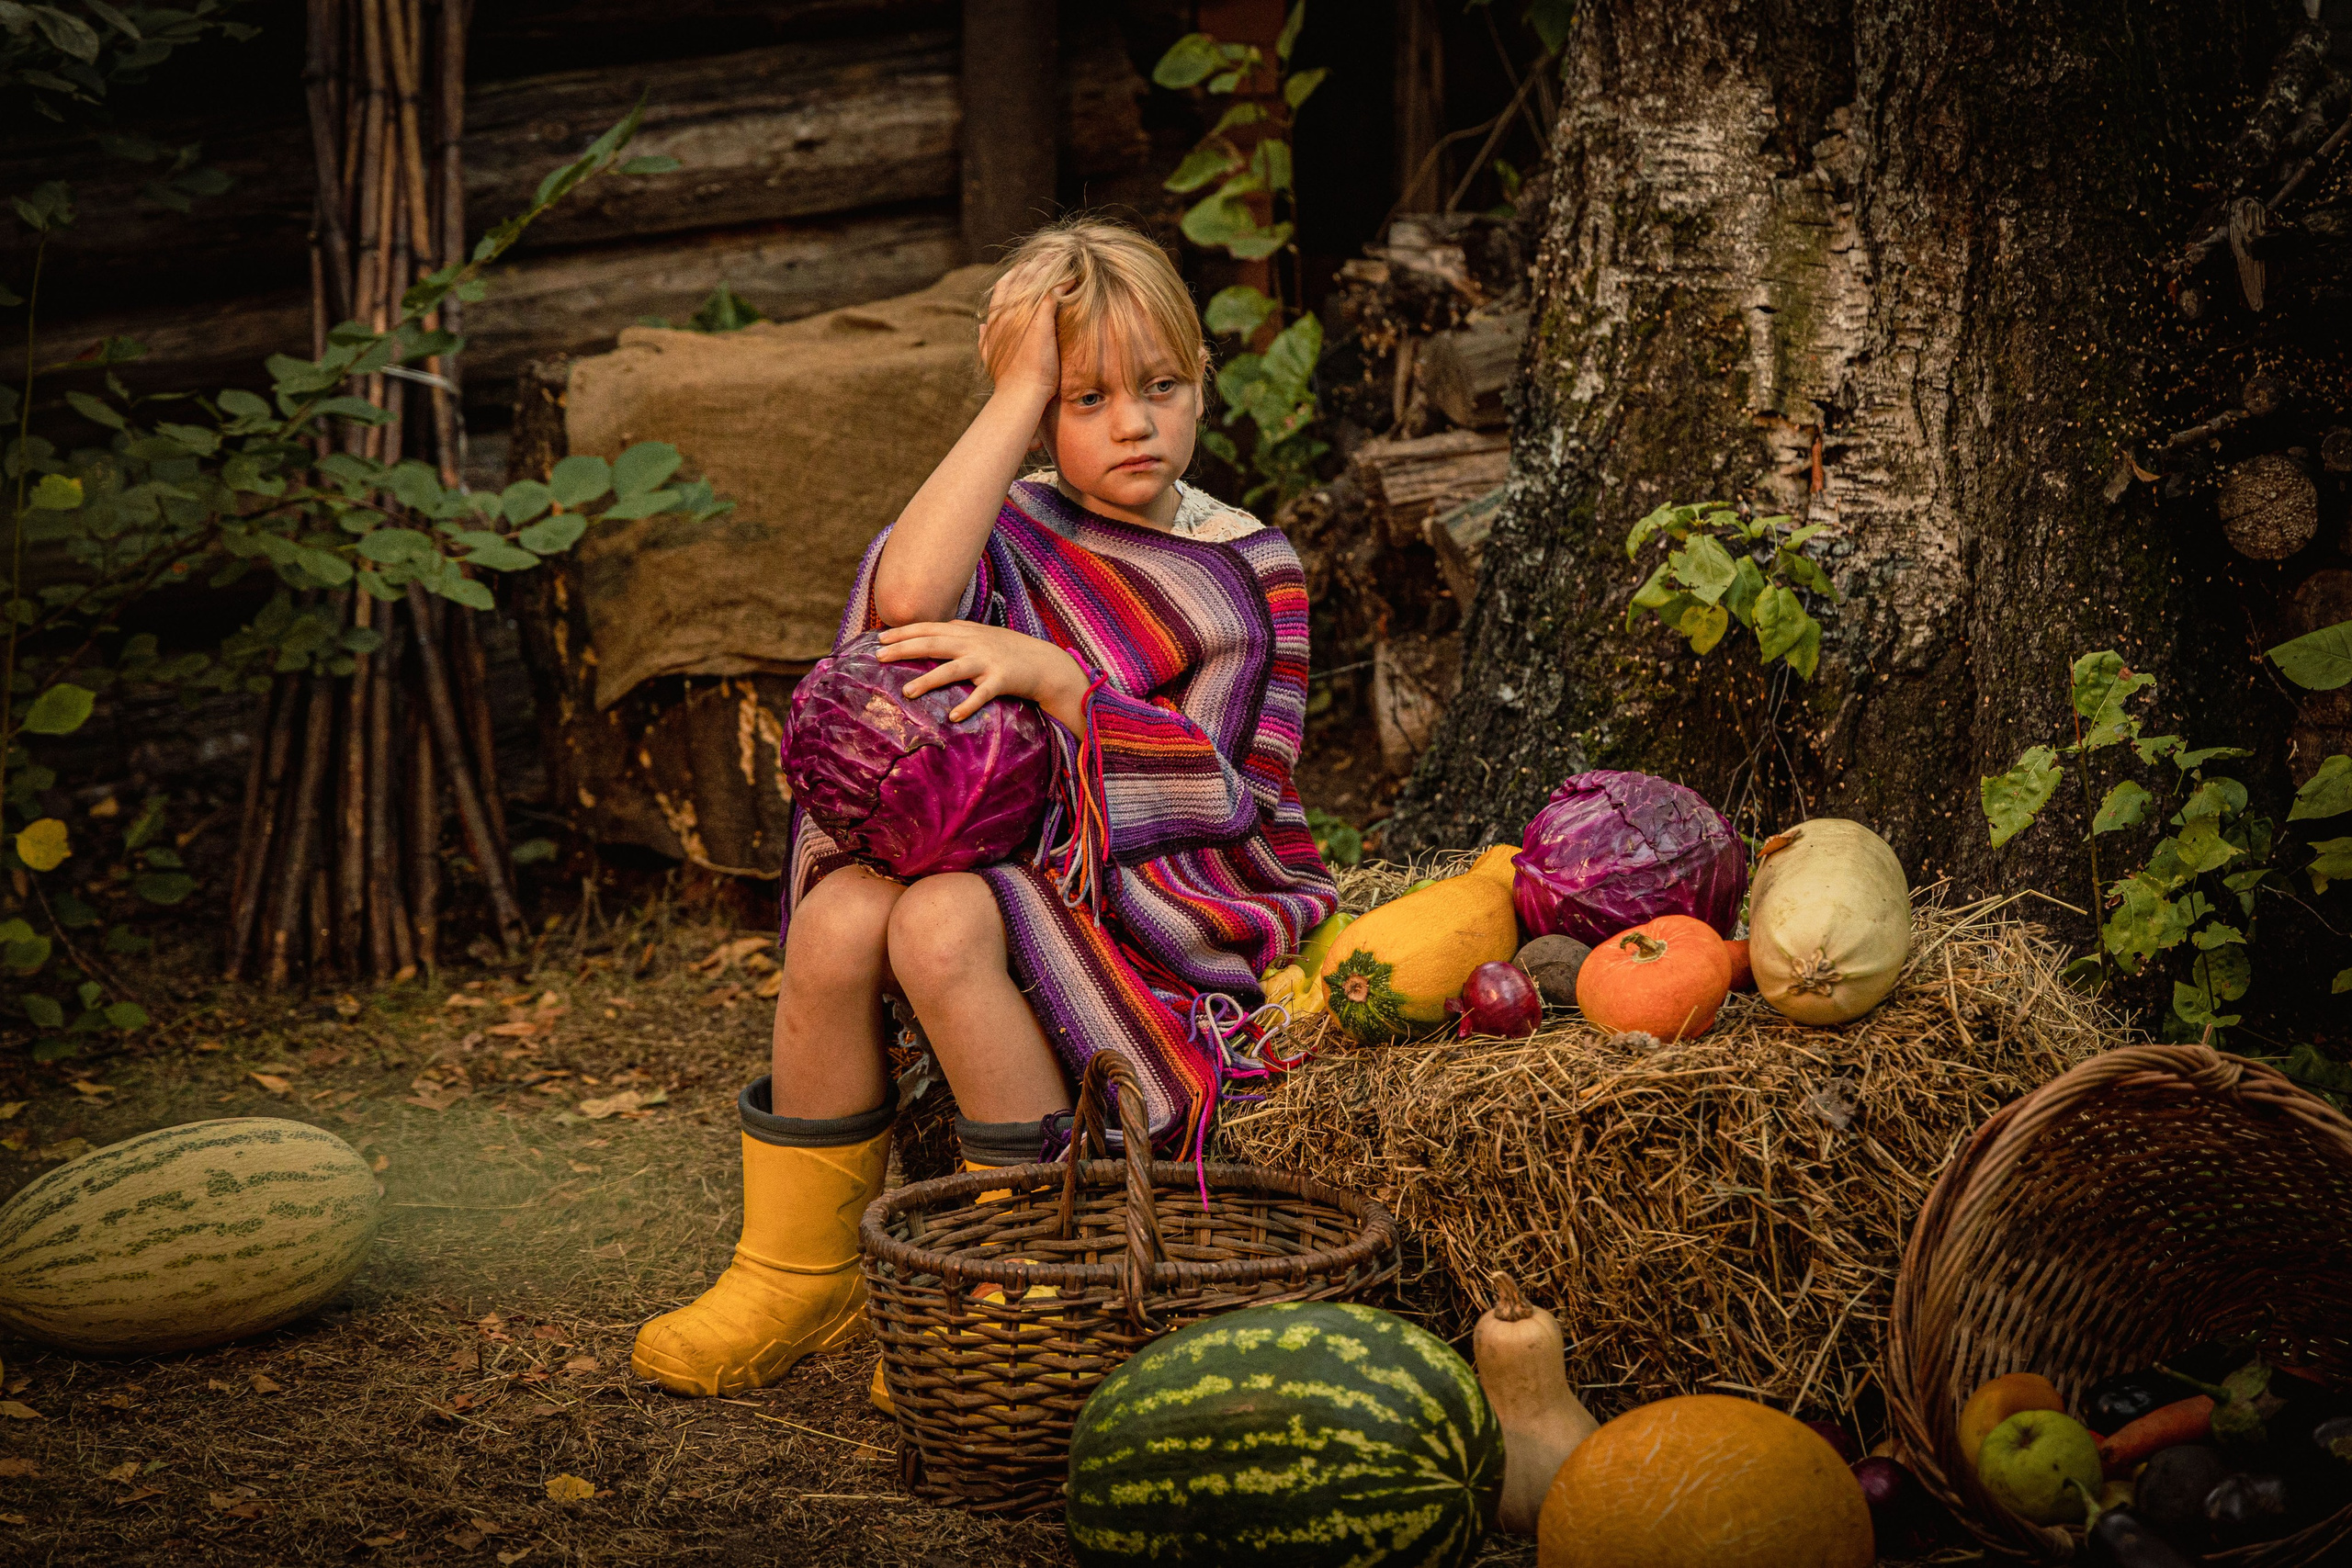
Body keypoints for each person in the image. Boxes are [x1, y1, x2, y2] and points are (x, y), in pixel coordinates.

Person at [629, 219, 1340, 1399]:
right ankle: (799, 1271)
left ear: (1202, 386)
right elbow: (903, 599)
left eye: (1163, 389)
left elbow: (1226, 790)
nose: (1133, 423)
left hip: (1147, 883)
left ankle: (1012, 1265)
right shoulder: (1007, 519)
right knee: (844, 913)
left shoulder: (1248, 569)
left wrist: (1062, 683)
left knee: (940, 923)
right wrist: (1016, 386)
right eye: (1086, 397)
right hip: (976, 846)